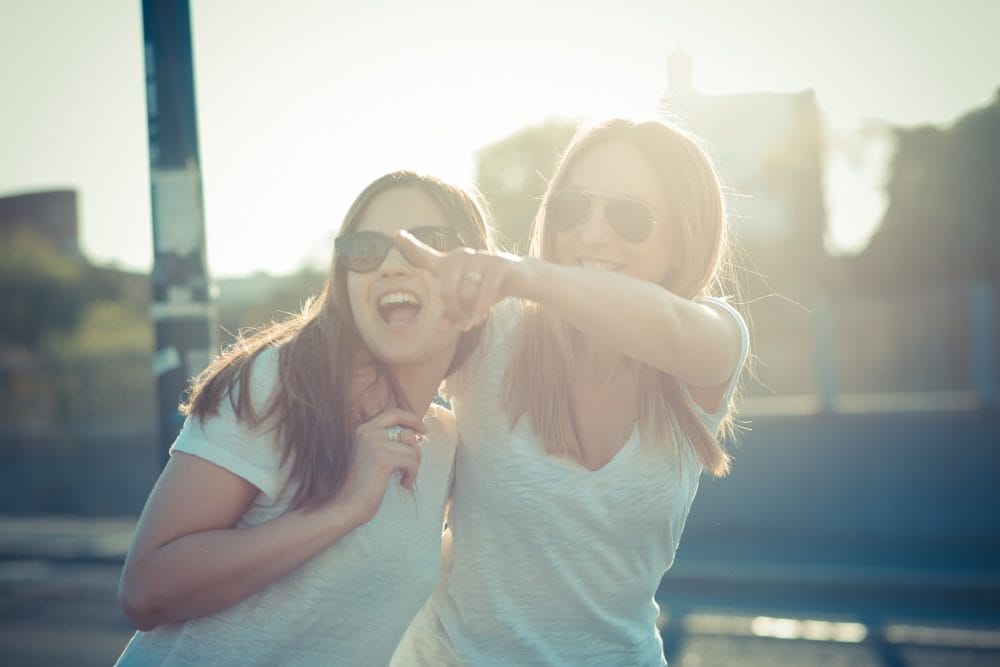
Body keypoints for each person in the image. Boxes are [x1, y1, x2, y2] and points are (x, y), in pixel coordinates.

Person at [390, 118, 751, 666]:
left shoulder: (712, 342)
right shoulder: (493, 331)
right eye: (572, 208)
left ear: (685, 237)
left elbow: (670, 329)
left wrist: (524, 275)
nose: (591, 235)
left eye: (629, 216)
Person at [115, 171, 494, 666]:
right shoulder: (280, 383)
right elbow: (146, 590)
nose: (393, 265)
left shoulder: (443, 445)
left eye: (427, 244)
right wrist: (343, 509)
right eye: (366, 249)